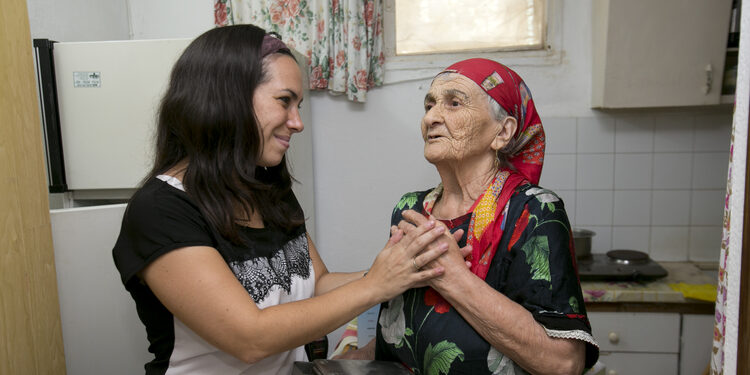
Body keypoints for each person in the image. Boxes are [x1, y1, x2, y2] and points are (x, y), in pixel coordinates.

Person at [111, 24, 465, 374]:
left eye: (298, 104)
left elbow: (318, 284)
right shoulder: (161, 210)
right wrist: (377, 285)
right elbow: (250, 337)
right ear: (226, 98)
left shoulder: (267, 190)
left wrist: (411, 268)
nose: (297, 122)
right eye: (284, 101)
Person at [342, 58, 600, 374]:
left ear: (503, 132)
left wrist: (453, 276)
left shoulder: (534, 212)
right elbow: (406, 331)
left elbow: (564, 363)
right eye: (429, 105)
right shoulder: (410, 209)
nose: (431, 118)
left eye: (454, 103)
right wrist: (358, 360)